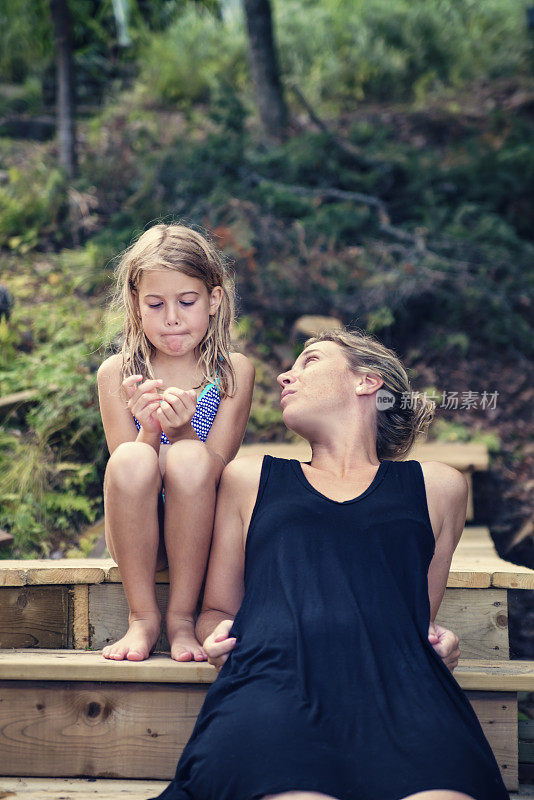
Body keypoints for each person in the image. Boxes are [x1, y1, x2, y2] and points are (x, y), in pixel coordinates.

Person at [149, 327, 510, 800]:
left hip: (403, 689)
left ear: (367, 382)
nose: (285, 375)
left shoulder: (440, 488)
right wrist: (214, 635)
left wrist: (440, 642)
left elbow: (417, 615)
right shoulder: (249, 479)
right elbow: (217, 610)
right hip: (272, 682)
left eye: (309, 361)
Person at [97, 223, 255, 663]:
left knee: (189, 456)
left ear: (213, 300)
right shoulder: (117, 374)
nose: (172, 317)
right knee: (131, 457)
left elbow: (215, 468)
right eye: (155, 304)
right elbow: (127, 473)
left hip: (200, 531)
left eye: (186, 302)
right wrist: (149, 428)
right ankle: (142, 617)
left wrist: (183, 432)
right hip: (137, 534)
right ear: (135, 304)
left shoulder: (231, 373)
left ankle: (181, 619)